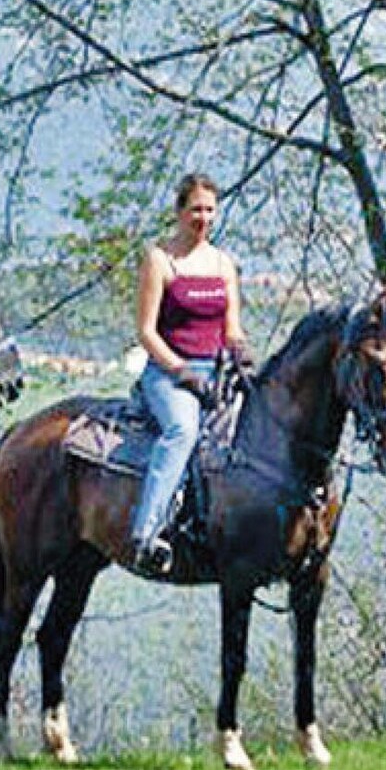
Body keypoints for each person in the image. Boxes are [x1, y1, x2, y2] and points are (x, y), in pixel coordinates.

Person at [129, 173, 251, 575]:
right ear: (179, 212)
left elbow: (231, 328)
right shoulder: (160, 259)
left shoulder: (223, 264)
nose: (204, 217)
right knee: (182, 430)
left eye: (210, 210)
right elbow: (146, 332)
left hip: (215, 371)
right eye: (196, 209)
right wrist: (180, 371)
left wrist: (242, 353)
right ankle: (147, 533)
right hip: (167, 373)